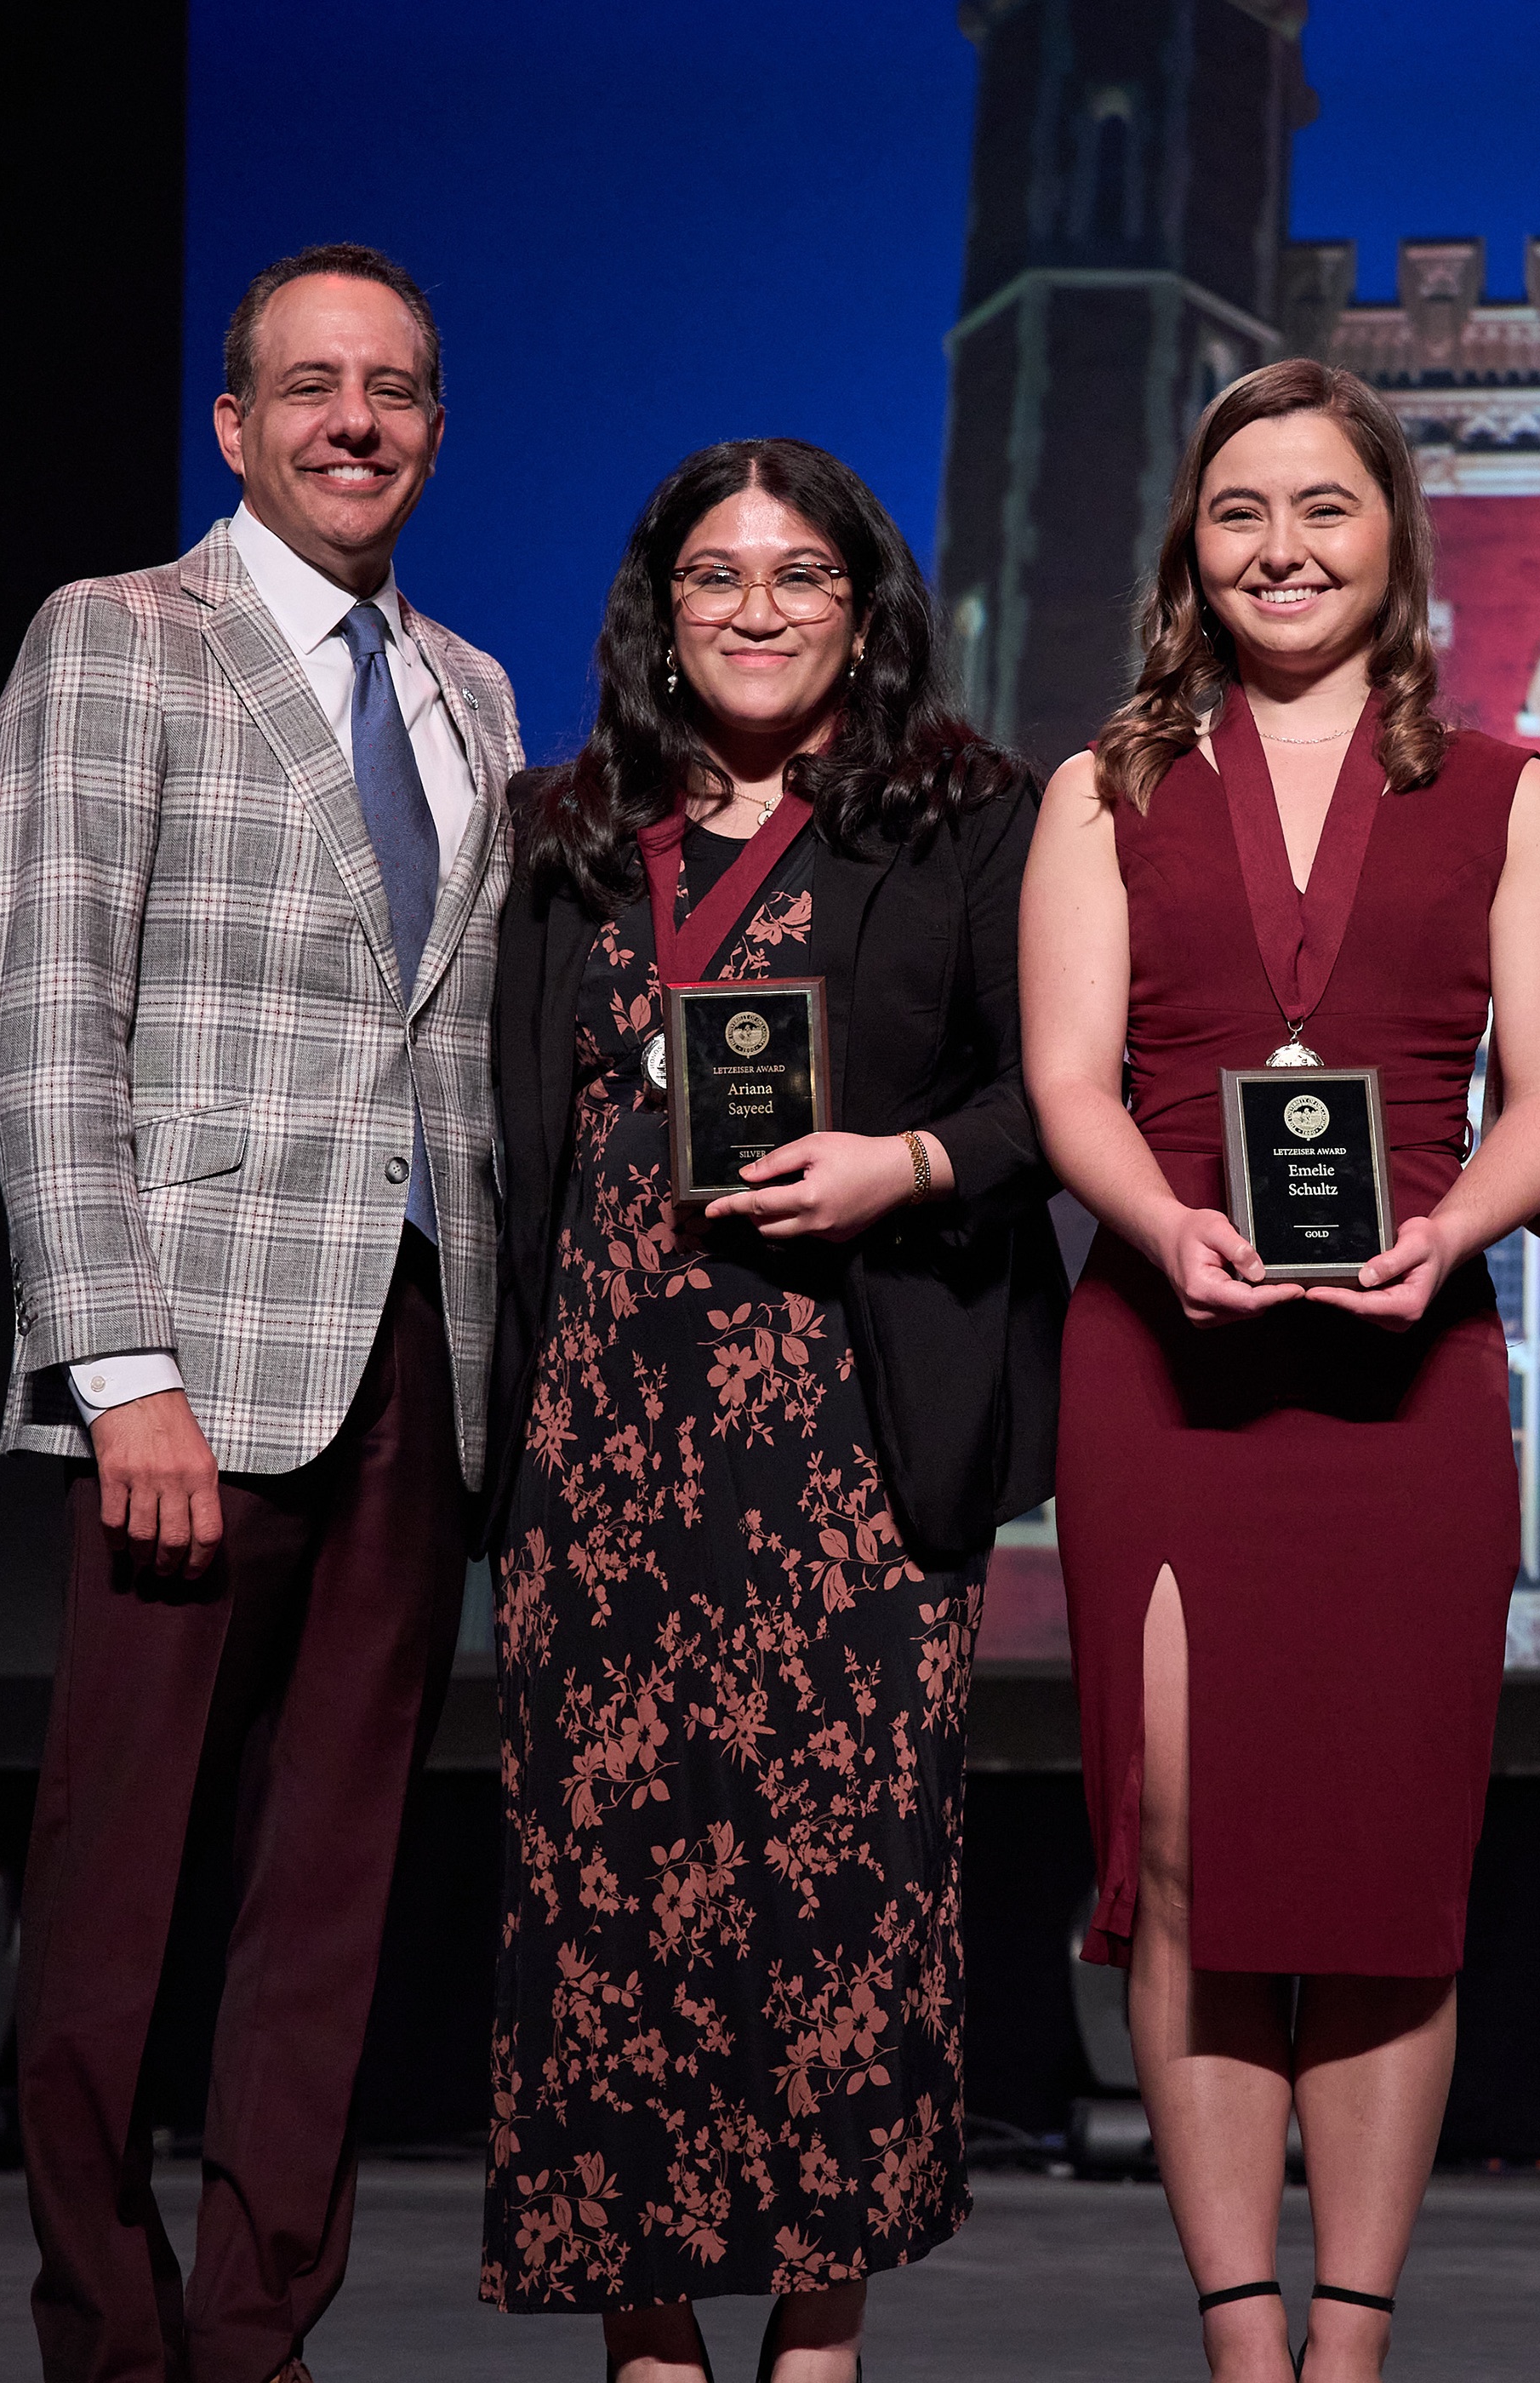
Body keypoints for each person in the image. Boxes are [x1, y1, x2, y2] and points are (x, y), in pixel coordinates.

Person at [1024, 359, 1540, 2383]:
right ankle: (1240, 2339)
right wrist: (1162, 1221)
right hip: (1165, 1368)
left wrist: (1454, 1231)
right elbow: (1070, 1082)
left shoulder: (1514, 793)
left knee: (1381, 1861)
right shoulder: (1099, 789)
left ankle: (1349, 2341)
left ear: (1393, 536)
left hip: (1406, 1375)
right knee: (1180, 1844)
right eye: (1241, 510)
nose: (1282, 547)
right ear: (1192, 546)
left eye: (1325, 506)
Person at [0, 243, 521, 2383]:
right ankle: (110, 2335)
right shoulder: (119, 635)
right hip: (190, 1371)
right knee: (117, 1887)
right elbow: (45, 1023)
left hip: (417, 1362)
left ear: (437, 430)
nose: (353, 422)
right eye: (311, 385)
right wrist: (118, 1366)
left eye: (392, 389)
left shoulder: (474, 690)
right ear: (236, 423)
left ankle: (256, 2333)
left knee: (331, 1895)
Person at [476, 437, 1057, 2380]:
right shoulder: (564, 830)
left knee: (840, 1893)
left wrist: (906, 1164)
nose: (755, 608)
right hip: (601, 1442)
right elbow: (517, 1132)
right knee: (608, 1891)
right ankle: (645, 2335)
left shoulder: (966, 819)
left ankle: (820, 2333)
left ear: (864, 609)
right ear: (659, 613)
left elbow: (1053, 1095)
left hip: (845, 1431)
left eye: (800, 574)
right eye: (714, 575)